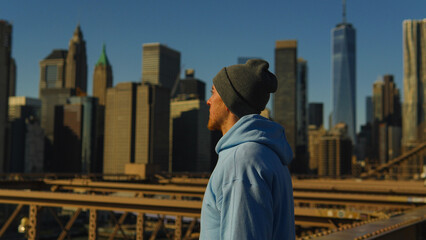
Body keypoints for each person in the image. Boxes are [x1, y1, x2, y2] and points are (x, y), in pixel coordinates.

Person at [200, 59, 295, 239]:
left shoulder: (241, 162)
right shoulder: (267, 153)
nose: (208, 101)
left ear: (229, 101)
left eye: (213, 92)